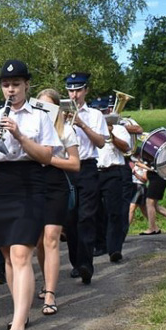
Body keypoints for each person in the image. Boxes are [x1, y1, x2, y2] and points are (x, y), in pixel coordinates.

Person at [0, 60, 60, 330]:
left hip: (29, 182)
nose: (10, 89)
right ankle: (18, 311)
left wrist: (19, 135)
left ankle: (20, 325)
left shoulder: (39, 117)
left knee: (22, 253)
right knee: (8, 256)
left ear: (26, 85)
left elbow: (46, 157)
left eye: (16, 84)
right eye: (6, 85)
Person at [35, 89, 79, 317]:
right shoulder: (31, 128)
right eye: (38, 105)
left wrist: (49, 159)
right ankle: (45, 280)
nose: (42, 111)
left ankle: (51, 293)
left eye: (47, 106)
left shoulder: (65, 130)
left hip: (55, 184)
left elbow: (75, 164)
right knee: (40, 241)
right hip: (32, 184)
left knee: (52, 237)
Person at [62, 73, 107, 285]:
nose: (74, 94)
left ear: (86, 90)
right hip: (66, 168)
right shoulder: (58, 114)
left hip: (88, 167)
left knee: (86, 217)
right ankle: (75, 263)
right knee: (70, 220)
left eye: (78, 90)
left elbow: (100, 143)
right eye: (71, 90)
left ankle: (86, 264)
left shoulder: (95, 115)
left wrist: (81, 124)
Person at [93, 98, 132, 263]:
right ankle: (100, 244)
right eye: (98, 112)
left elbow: (126, 148)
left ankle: (115, 249)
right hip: (94, 172)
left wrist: (111, 135)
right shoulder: (90, 129)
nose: (102, 114)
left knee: (114, 211)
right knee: (95, 212)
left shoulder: (118, 128)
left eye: (104, 111)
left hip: (113, 171)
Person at [138, 169, 166, 235]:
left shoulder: (151, 161)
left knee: (149, 202)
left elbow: (147, 173)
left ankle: (152, 228)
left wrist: (139, 166)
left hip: (158, 178)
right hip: (156, 178)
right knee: (154, 205)